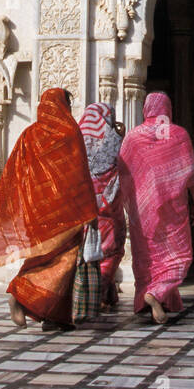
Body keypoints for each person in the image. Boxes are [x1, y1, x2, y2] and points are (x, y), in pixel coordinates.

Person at [0, 87, 97, 331]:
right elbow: (80, 174)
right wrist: (89, 209)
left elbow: (16, 174)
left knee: (43, 257)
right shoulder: (70, 132)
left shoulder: (30, 134)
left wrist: (22, 208)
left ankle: (55, 316)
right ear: (63, 106)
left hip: (38, 211)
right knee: (65, 262)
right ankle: (19, 293)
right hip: (68, 211)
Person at [118, 91, 194, 324]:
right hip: (172, 209)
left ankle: (157, 297)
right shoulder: (178, 134)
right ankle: (155, 293)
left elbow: (122, 173)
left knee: (147, 255)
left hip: (143, 210)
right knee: (178, 255)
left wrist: (132, 201)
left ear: (145, 109)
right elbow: (191, 174)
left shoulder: (133, 138)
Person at [77, 101, 126, 311]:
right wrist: (120, 135)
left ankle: (104, 293)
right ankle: (98, 294)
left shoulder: (76, 140)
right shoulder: (114, 141)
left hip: (84, 209)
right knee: (111, 251)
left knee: (90, 252)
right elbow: (123, 166)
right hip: (109, 209)